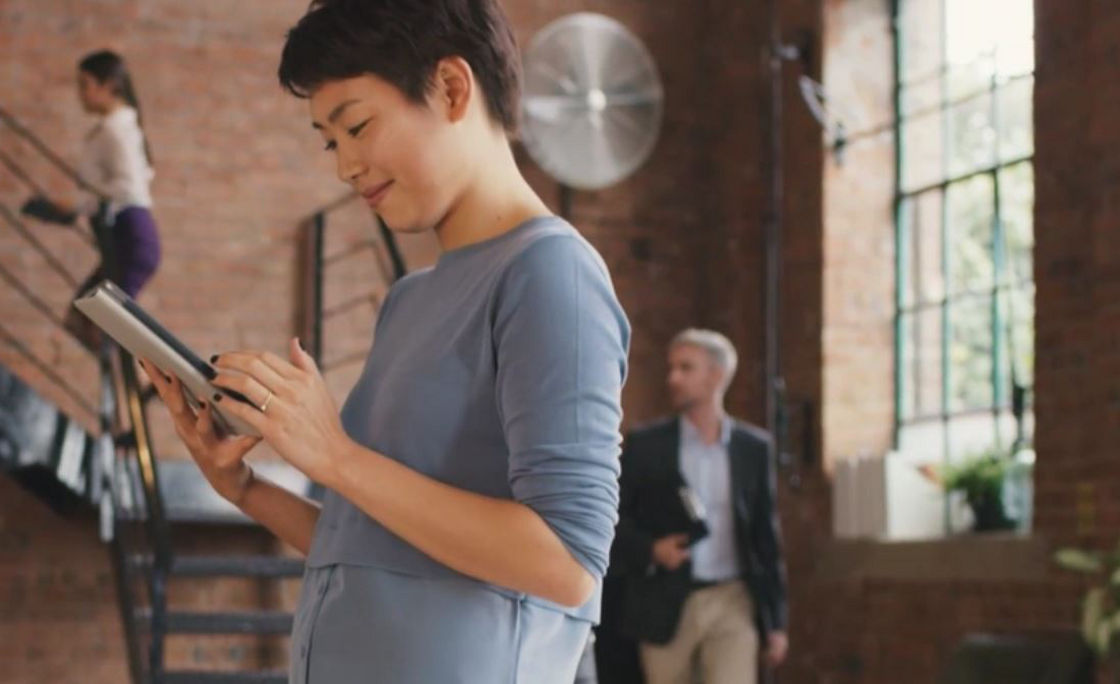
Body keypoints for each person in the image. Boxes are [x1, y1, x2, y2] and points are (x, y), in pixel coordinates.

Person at [140, 1, 630, 682]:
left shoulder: (551, 274)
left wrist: (335, 456)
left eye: (359, 127)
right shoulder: (409, 299)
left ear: (453, 89)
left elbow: (568, 564)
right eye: (330, 142)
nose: (345, 166)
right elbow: (378, 544)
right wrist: (245, 487)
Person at [607, 329, 787, 684]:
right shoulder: (646, 445)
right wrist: (652, 549)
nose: (673, 378)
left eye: (686, 368)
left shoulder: (754, 448)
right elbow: (613, 518)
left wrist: (776, 622)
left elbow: (767, 537)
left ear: (716, 376)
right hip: (664, 602)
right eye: (671, 368)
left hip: (732, 600)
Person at [21, 50, 161, 350]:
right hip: (128, 234)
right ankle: (132, 385)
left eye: (85, 84)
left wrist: (77, 207)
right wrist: (73, 209)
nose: (81, 93)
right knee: (86, 318)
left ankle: (141, 381)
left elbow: (128, 186)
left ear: (109, 85)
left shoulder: (116, 130)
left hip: (132, 235)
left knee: (103, 324)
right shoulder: (115, 127)